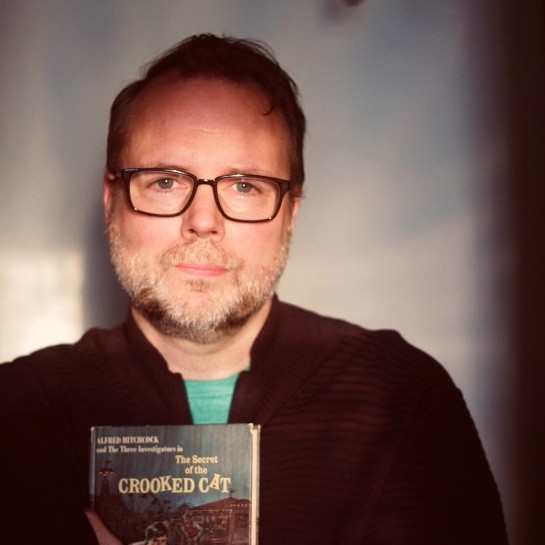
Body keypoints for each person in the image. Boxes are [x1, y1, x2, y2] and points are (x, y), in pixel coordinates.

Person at [0, 34, 508, 544]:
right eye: (165, 181)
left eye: (244, 186)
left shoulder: (399, 396)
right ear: (112, 200)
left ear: (291, 213)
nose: (203, 221)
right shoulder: (18, 411)